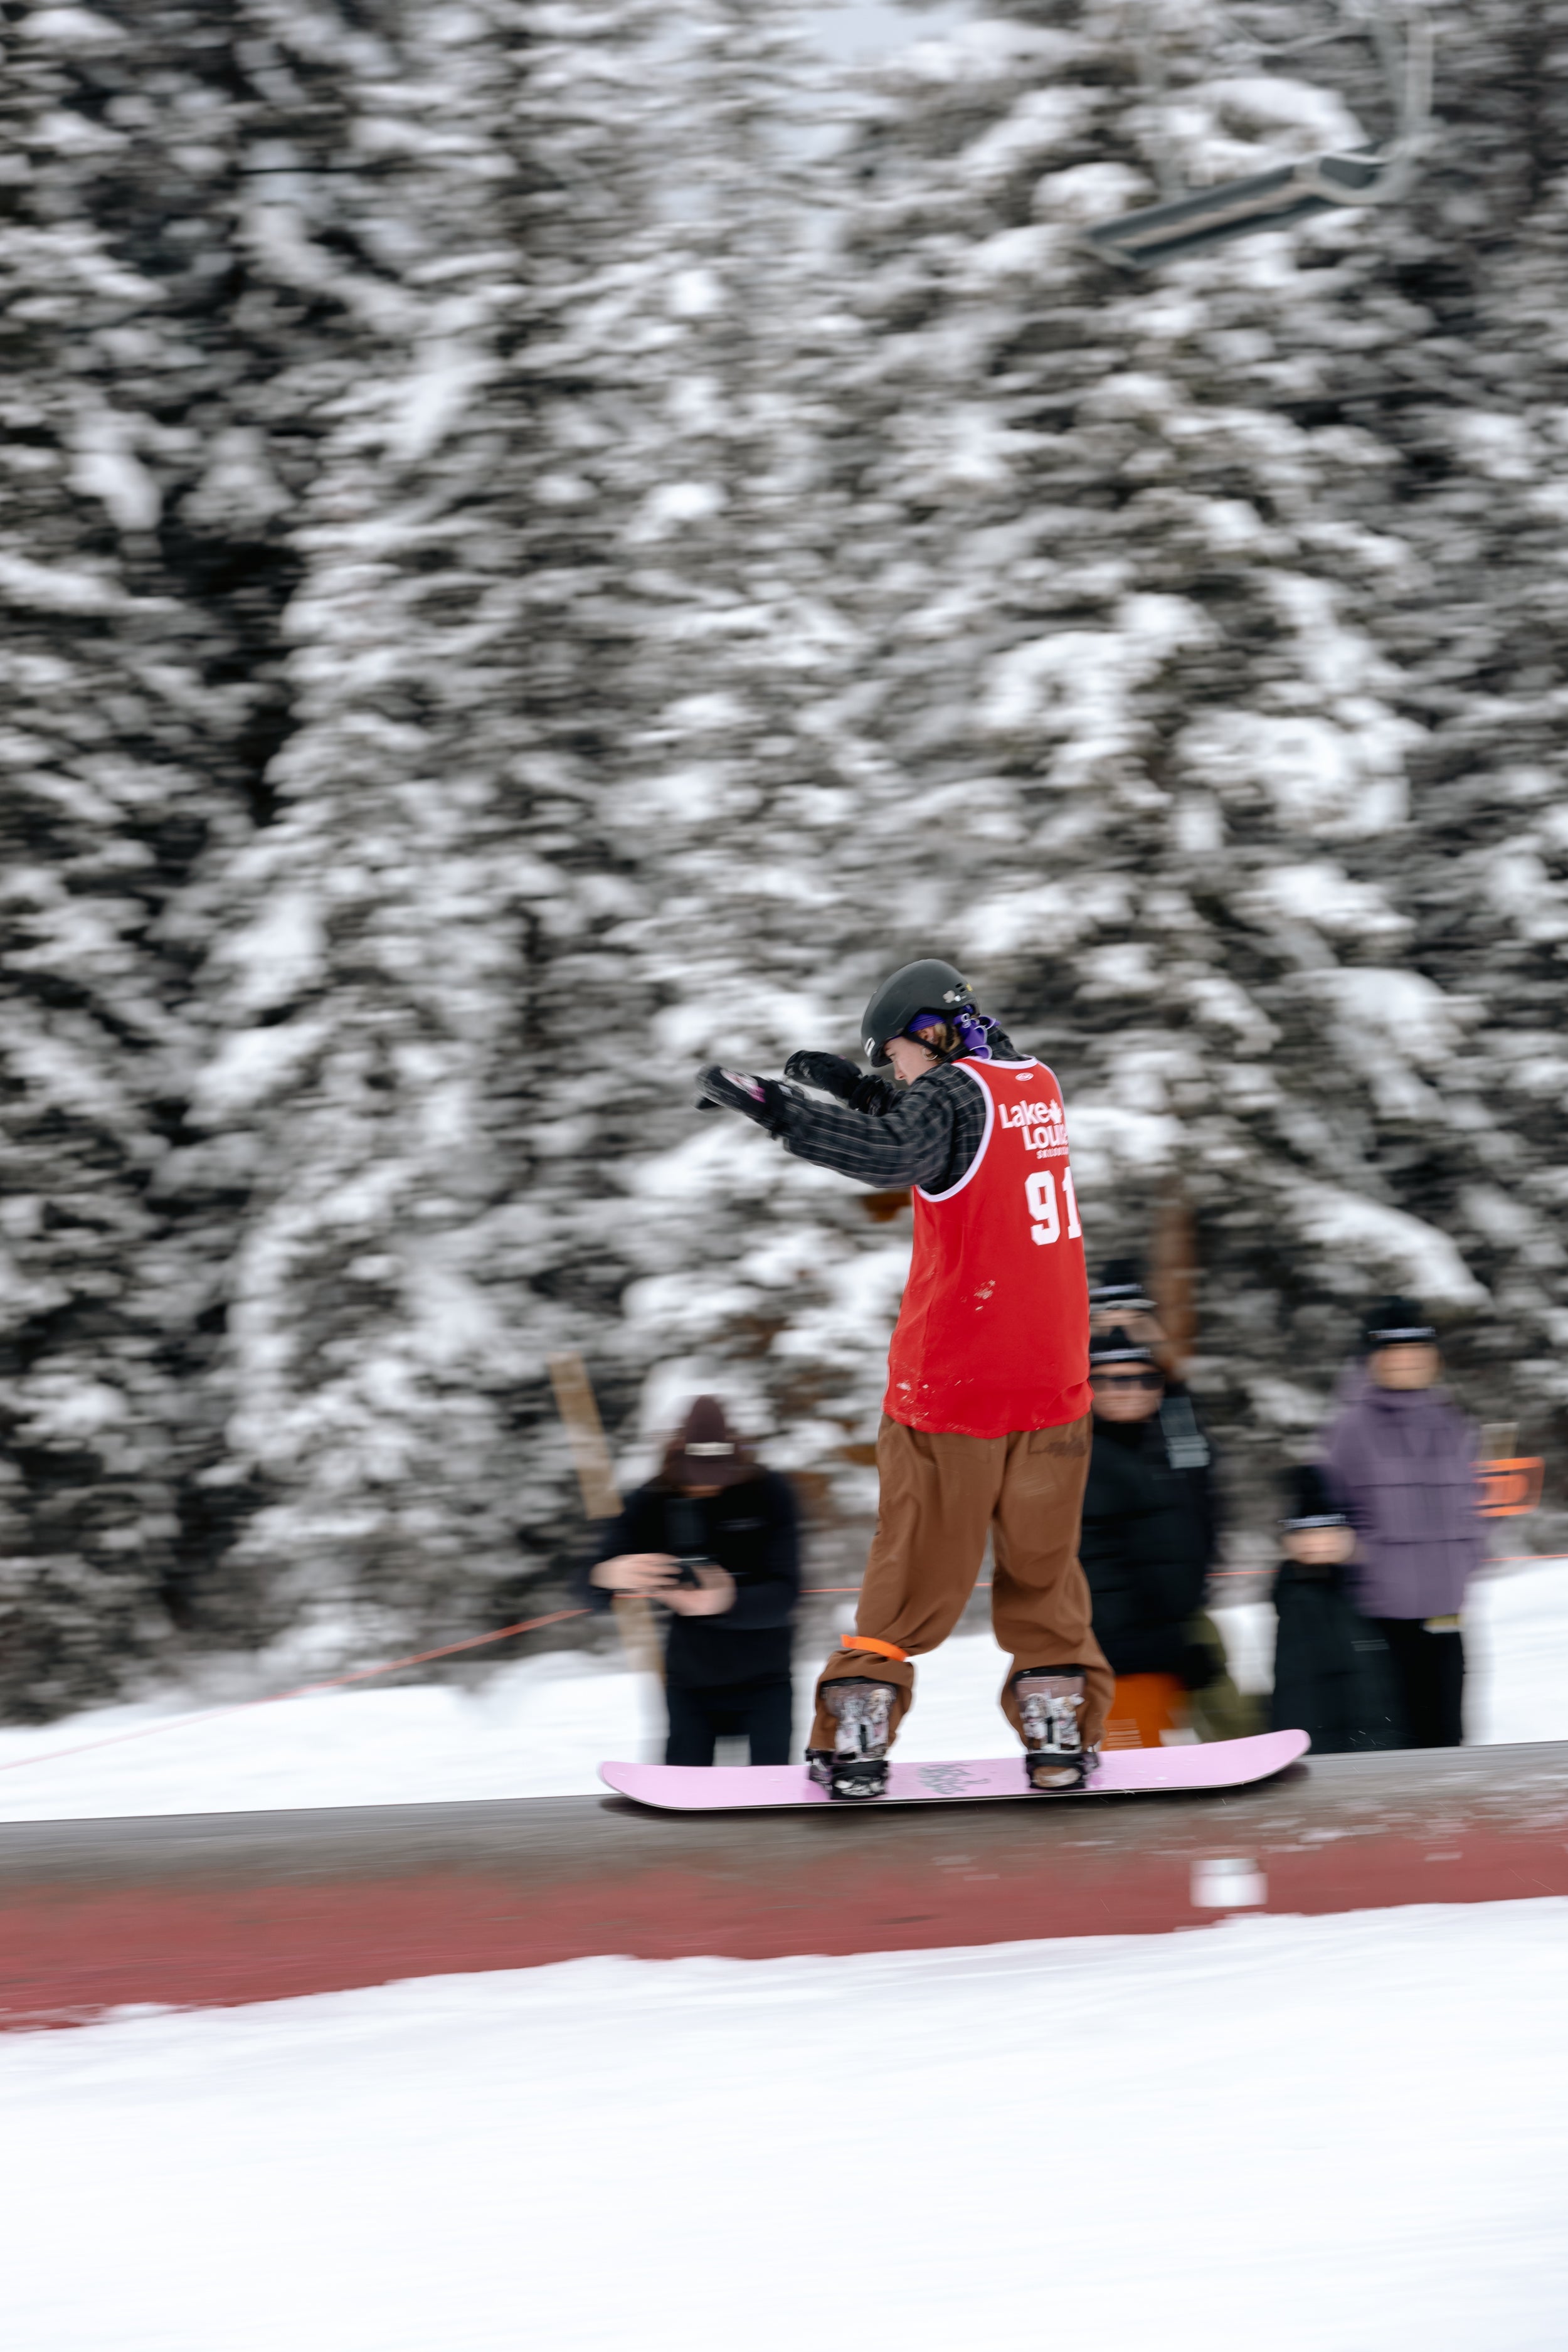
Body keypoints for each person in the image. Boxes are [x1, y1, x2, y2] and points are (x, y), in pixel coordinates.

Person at [697, 956, 1112, 1798]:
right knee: (1044, 1573)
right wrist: (861, 1088)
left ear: (931, 1031)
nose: (898, 1073)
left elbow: (899, 1154)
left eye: (895, 1055)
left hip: (956, 1387)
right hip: (1054, 1384)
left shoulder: (950, 1091)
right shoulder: (1036, 1083)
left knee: (911, 1577)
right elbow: (958, 1130)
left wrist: (781, 1110)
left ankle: (861, 1720)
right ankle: (1057, 1718)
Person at [585, 1396, 800, 1766]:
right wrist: (608, 1574)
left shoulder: (769, 1492)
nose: (706, 1487)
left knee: (771, 1788)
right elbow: (584, 1584)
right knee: (683, 1790)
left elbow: (786, 1594)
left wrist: (726, 1602)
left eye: (718, 1477)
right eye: (696, 1478)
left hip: (767, 1678)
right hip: (690, 1682)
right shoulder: (654, 1498)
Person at [1320, 1297, 1485, 1749]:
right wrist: (1365, 1562)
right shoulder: (1351, 1427)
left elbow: (1472, 1502)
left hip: (1446, 1610)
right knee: (1393, 1736)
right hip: (1381, 1616)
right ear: (1372, 1359)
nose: (1409, 1359)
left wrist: (1470, 1556)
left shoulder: (1451, 1421)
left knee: (1448, 1734)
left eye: (1418, 1348)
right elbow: (1332, 1512)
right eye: (1395, 1350)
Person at [1078, 1324, 1242, 1747]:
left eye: (1146, 1379)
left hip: (1177, 1634)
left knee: (1232, 1746)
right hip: (1120, 1655)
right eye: (1114, 1381)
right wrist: (1157, 1645)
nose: (1132, 1391)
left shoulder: (1163, 1448)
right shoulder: (1077, 1457)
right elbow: (1095, 1570)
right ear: (1088, 1387)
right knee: (1134, 1766)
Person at [1269, 1463, 1399, 1753]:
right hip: (1333, 1754)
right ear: (1294, 1543)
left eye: (1330, 1533)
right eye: (1311, 1536)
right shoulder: (1301, 1604)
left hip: (1369, 1748)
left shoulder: (1355, 1594)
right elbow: (1299, 1697)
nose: (1322, 1544)